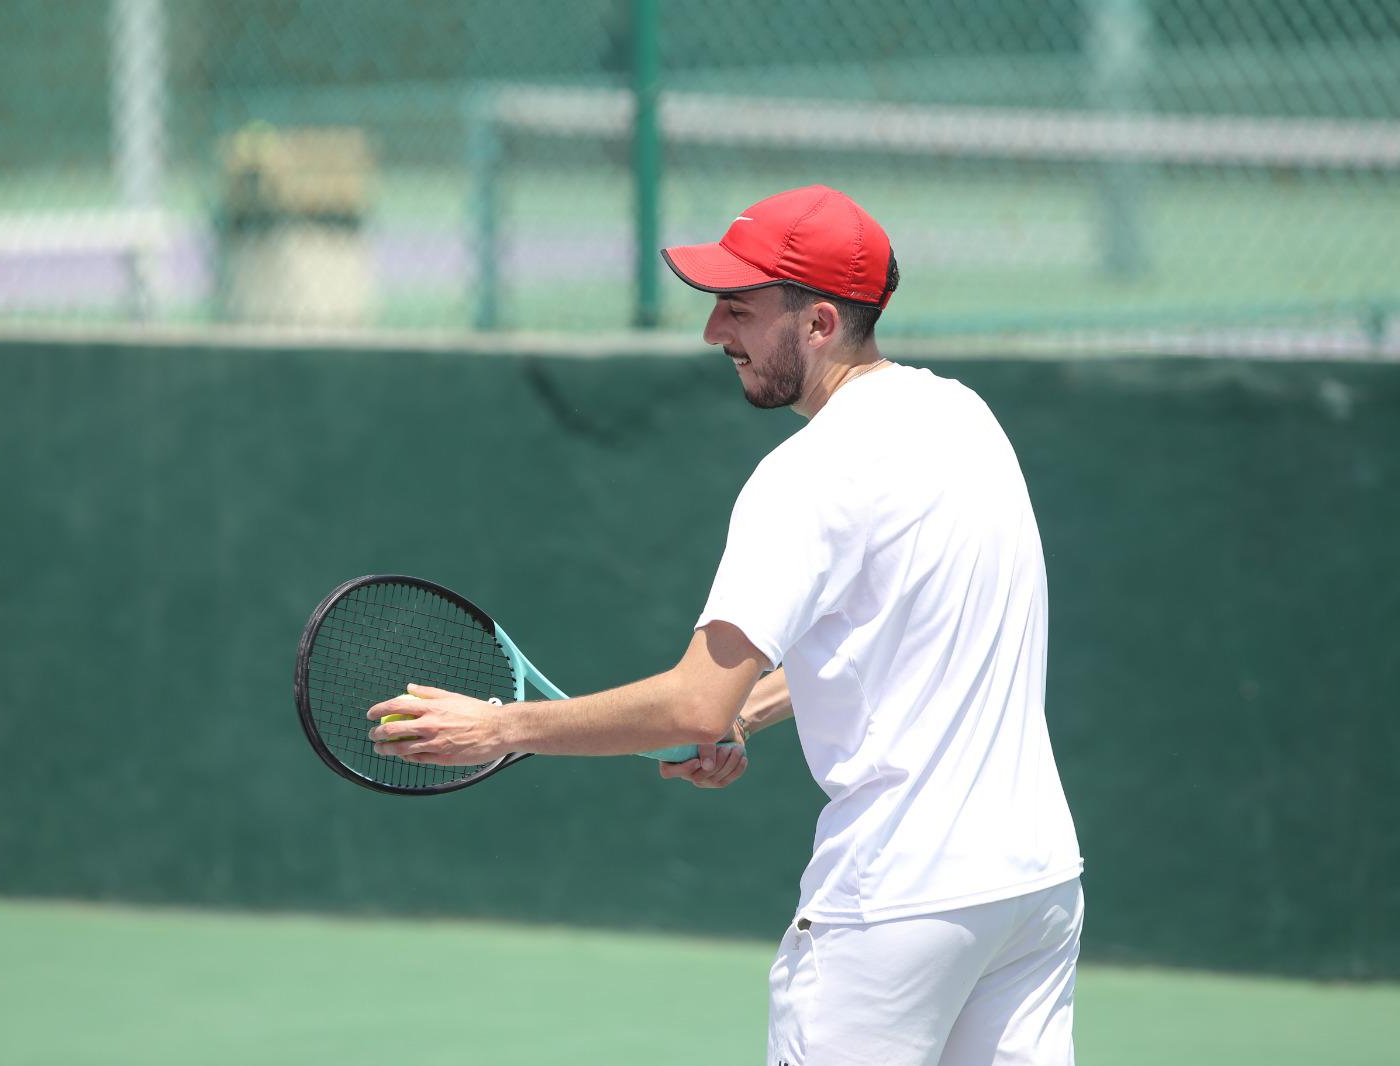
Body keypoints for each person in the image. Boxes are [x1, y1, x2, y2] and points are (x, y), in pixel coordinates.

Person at [369, 185, 1083, 1066]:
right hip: (1035, 887)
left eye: (739, 308)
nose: (714, 332)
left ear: (819, 322)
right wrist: (746, 710)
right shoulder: (964, 419)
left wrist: (498, 728)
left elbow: (691, 706)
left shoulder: (805, 475)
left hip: (894, 906)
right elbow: (881, 643)